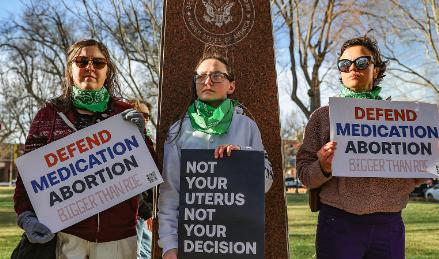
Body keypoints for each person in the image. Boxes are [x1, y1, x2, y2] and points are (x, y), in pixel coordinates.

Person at [296, 36, 439, 259]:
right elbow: (304, 175)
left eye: (362, 62)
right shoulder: (322, 117)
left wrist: (436, 159)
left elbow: (413, 176)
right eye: (345, 64)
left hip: (389, 226)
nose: (352, 68)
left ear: (376, 69)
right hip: (338, 223)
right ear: (340, 71)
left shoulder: (405, 119)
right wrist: (322, 166)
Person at [13, 39, 157, 259]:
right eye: (81, 61)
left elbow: (151, 173)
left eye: (98, 63)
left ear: (107, 71)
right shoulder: (48, 116)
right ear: (70, 70)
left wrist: (142, 138)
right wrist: (26, 217)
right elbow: (27, 178)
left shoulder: (124, 113)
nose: (90, 67)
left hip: (119, 240)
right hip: (66, 238)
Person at [157, 53, 274, 259]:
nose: (207, 81)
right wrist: (169, 245)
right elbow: (170, 192)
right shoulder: (178, 131)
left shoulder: (247, 126)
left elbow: (266, 182)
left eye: (217, 76)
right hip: (194, 241)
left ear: (231, 86)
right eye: (200, 76)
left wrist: (243, 160)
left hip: (237, 242)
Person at [128, 99, 155, 259]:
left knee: (146, 254)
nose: (145, 119)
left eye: (147, 116)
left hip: (144, 214)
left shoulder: (148, 142)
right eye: (141, 114)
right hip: (133, 213)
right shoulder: (125, 142)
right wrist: (144, 209)